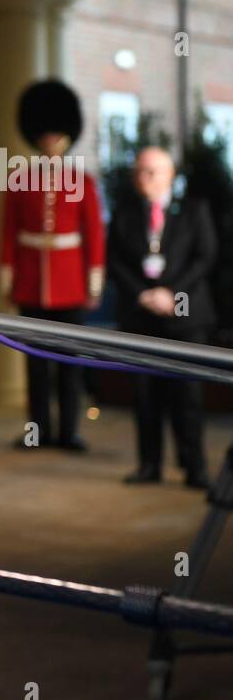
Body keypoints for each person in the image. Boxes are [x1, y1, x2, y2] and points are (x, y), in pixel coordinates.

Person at [0, 79, 105, 451]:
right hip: (32, 282)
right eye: (46, 134)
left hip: (70, 283)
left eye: (56, 134)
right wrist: (9, 278)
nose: (50, 141)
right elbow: (9, 233)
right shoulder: (18, 180)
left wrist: (93, 285)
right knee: (35, 364)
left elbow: (93, 236)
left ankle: (68, 432)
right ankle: (37, 431)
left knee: (68, 364)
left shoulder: (83, 182)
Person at [108, 147, 216, 489]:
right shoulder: (125, 213)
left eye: (153, 171)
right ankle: (149, 464)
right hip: (141, 317)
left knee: (188, 396)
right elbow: (115, 261)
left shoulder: (194, 210)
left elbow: (205, 257)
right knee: (145, 394)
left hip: (184, 315)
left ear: (170, 175)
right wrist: (143, 294)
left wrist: (170, 293)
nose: (145, 178)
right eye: (140, 171)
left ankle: (194, 466)